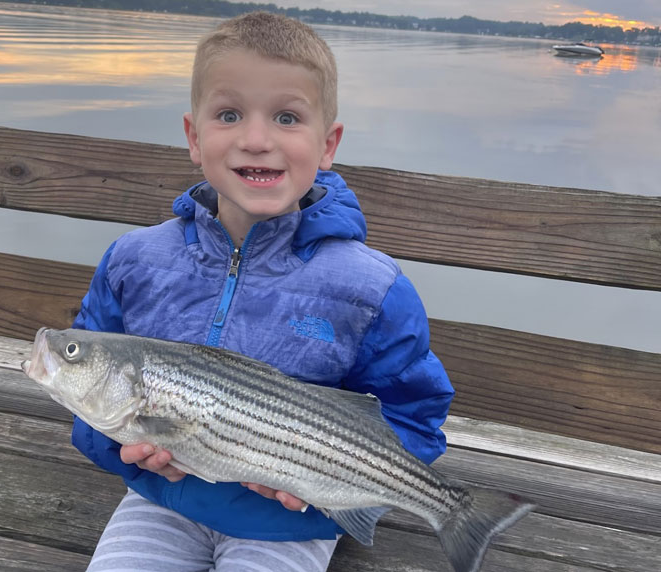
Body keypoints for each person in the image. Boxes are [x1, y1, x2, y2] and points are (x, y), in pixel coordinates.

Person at [70, 11, 454, 572]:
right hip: (163, 503)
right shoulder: (135, 260)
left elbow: (415, 416)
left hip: (290, 522)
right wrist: (124, 450)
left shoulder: (371, 289)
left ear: (328, 144)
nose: (257, 140)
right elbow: (90, 389)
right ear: (194, 138)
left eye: (286, 117)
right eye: (229, 114)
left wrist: (332, 484)